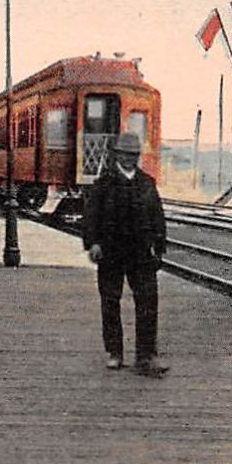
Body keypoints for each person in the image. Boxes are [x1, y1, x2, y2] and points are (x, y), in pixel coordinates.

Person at [81, 131, 169, 377]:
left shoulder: (147, 183)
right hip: (110, 253)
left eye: (133, 155)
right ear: (117, 154)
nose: (129, 158)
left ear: (137, 156)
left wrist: (158, 247)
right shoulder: (103, 183)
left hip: (141, 254)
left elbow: (157, 218)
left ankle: (146, 355)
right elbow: (91, 218)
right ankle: (115, 353)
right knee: (110, 302)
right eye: (125, 154)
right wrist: (93, 243)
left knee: (148, 303)